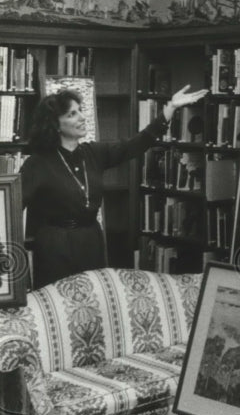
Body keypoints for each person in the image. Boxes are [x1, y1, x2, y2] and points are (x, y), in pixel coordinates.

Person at [21, 84, 208, 288]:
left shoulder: (93, 153)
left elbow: (135, 144)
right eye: (72, 114)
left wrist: (170, 108)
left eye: (80, 111)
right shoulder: (36, 164)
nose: (82, 117)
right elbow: (12, 206)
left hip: (91, 242)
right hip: (54, 247)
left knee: (93, 305)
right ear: (55, 125)